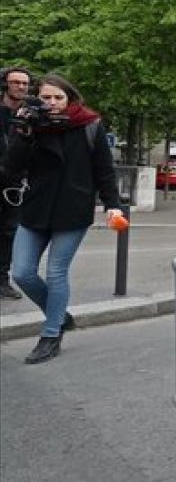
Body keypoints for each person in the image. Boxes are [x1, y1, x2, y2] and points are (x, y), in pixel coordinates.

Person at [3, 74, 124, 364]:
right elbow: (12, 168)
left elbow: (104, 170)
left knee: (56, 272)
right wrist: (24, 133)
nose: (52, 103)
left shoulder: (89, 125)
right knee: (22, 273)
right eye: (46, 98)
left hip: (73, 208)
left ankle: (51, 334)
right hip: (36, 207)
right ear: (37, 99)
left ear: (69, 99)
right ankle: (59, 316)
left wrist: (113, 204)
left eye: (58, 97)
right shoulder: (31, 124)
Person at [0, 67, 33, 300]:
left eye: (25, 83)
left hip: (14, 184)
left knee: (9, 233)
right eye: (16, 82)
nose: (21, 87)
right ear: (5, 84)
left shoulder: (30, 114)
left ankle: (2, 280)